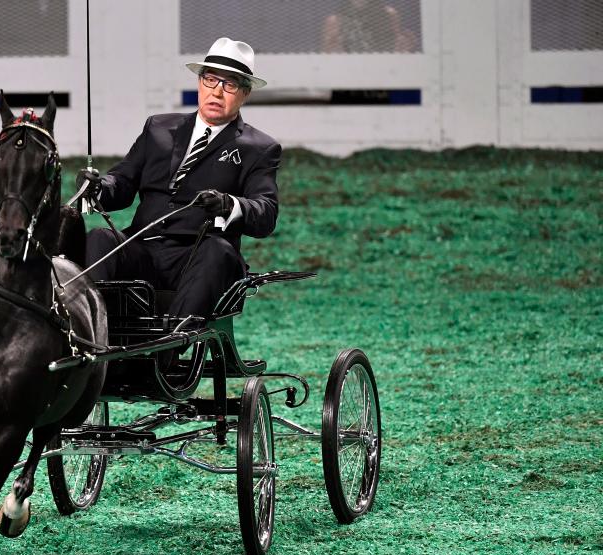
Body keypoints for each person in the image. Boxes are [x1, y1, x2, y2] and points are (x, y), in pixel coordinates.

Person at [78, 37, 282, 323]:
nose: (218, 92)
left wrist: (229, 204)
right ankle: (93, 336)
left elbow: (266, 213)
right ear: (199, 83)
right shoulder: (158, 128)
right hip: (143, 247)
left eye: (230, 84)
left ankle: (170, 349)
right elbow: (122, 183)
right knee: (100, 238)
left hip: (198, 255)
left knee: (218, 251)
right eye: (211, 80)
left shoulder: (258, 148)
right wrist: (99, 186)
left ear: (244, 93)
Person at [322, 0, 416, 54]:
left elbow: (396, 48)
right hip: (349, 72)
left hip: (381, 70)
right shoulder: (335, 21)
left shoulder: (388, 15)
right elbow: (327, 55)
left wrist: (404, 47)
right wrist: (334, 46)